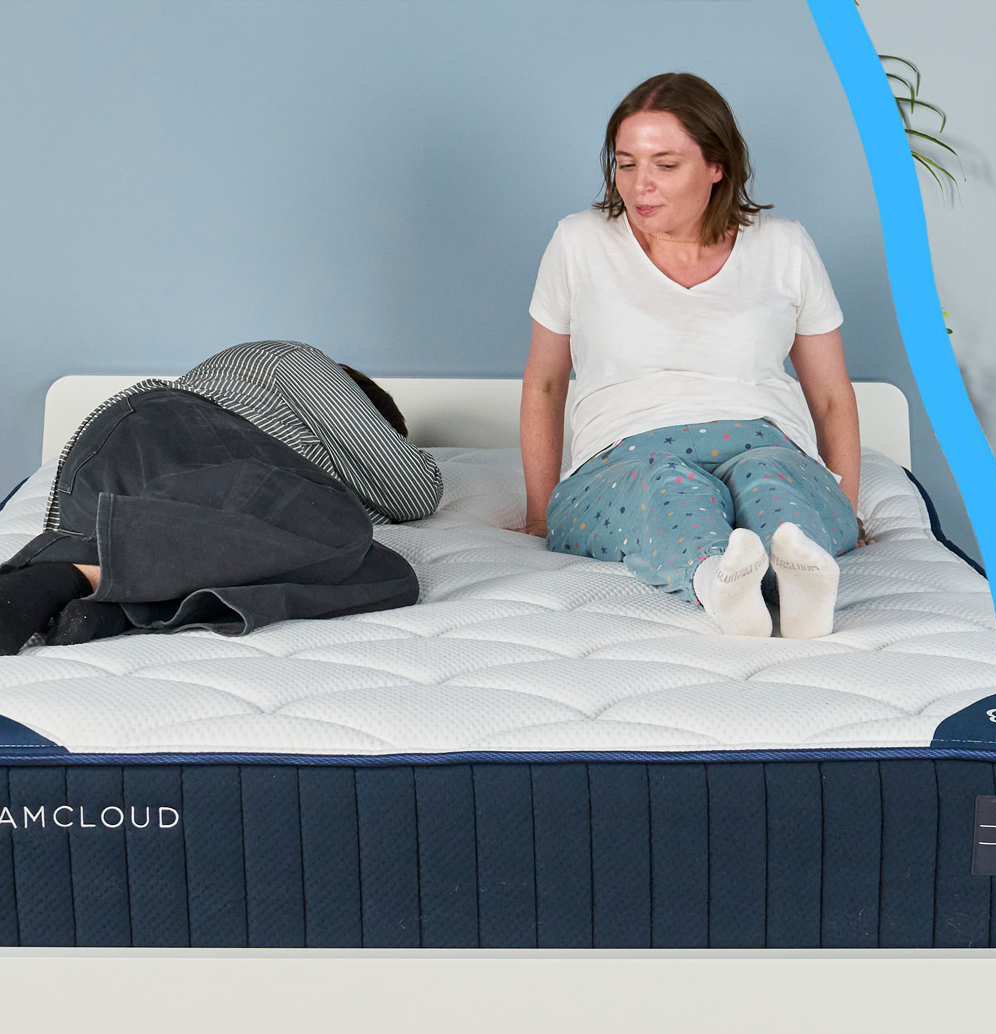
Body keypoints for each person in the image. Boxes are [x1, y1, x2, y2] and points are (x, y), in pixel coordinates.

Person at [520, 72, 863, 641]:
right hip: (626, 453)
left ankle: (803, 574)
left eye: (666, 164)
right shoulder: (578, 242)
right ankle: (719, 583)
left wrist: (843, 509)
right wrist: (538, 512)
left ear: (716, 165)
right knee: (669, 484)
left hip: (767, 440)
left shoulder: (785, 246)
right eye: (626, 163)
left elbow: (830, 395)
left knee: (767, 480)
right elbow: (546, 385)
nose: (640, 185)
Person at [0, 340, 440, 653]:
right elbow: (412, 491)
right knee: (343, 530)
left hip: (113, 496)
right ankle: (70, 574)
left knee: (391, 577)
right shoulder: (288, 360)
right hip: (167, 435)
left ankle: (110, 601)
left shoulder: (273, 472)